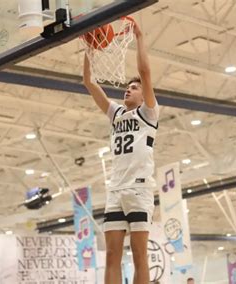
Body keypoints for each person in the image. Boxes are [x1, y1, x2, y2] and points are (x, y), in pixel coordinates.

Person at [83, 23, 159, 284]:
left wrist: (139, 36)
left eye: (134, 88)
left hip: (139, 190)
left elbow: (145, 72)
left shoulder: (148, 113)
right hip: (116, 190)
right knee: (112, 255)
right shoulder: (116, 113)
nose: (128, 89)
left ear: (143, 95)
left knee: (139, 256)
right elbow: (88, 82)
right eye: (127, 87)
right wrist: (90, 48)